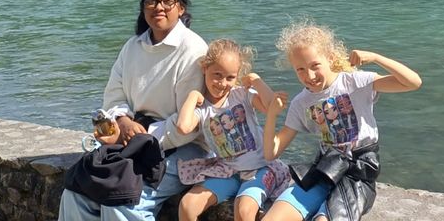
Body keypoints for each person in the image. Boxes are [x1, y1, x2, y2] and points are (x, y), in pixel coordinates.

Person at [58, 0, 209, 221]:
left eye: (166, 1)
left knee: (122, 200)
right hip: (133, 141)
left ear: (180, 7)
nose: (158, 7)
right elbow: (113, 96)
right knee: (76, 193)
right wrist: (123, 121)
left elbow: (189, 125)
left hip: (184, 147)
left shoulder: (193, 51)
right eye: (151, 0)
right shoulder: (132, 47)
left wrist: (142, 138)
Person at [262, 22, 422, 221]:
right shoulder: (301, 103)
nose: (309, 76)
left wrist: (376, 57)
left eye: (315, 66)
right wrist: (272, 114)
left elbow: (413, 82)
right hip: (325, 170)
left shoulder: (356, 82)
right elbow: (271, 153)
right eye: (300, 69)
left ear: (330, 58)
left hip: (358, 175)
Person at [175, 39, 283, 221]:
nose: (222, 83)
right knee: (187, 205)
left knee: (244, 211)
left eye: (230, 77)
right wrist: (192, 96)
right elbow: (183, 127)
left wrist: (256, 81)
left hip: (259, 168)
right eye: (217, 74)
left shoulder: (241, 95)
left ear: (237, 76)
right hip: (228, 171)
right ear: (204, 68)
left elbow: (273, 105)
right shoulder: (203, 110)